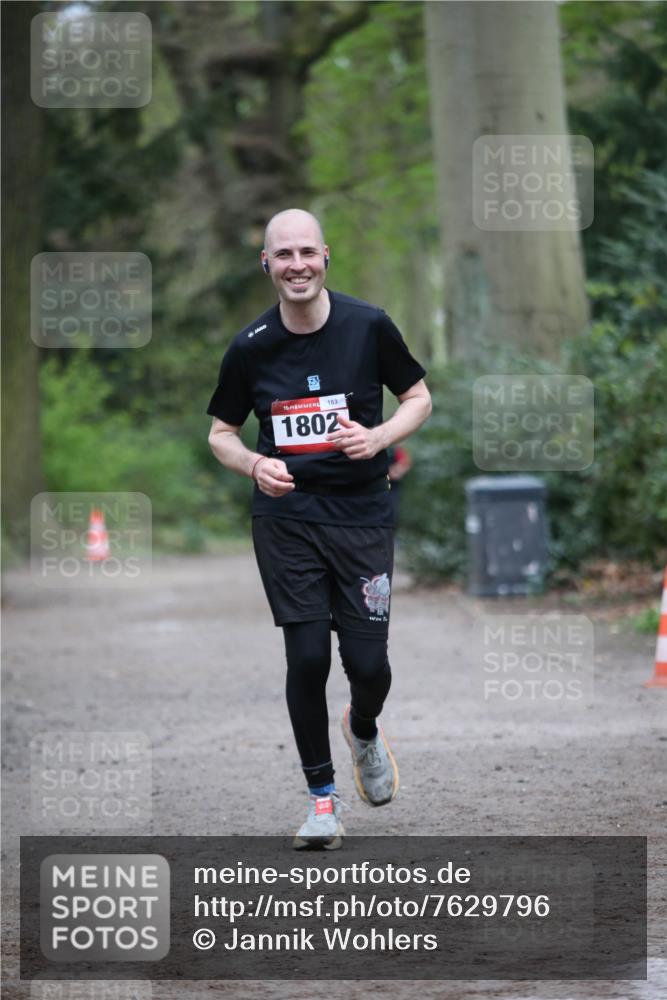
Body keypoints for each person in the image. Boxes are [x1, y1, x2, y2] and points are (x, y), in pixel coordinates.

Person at [207, 208, 431, 849]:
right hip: (288, 520)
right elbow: (220, 434)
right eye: (284, 255)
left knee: (370, 665)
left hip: (362, 514)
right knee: (306, 657)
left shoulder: (369, 326)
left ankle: (362, 729)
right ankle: (322, 801)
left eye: (307, 252)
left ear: (326, 256)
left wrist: (380, 435)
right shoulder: (250, 348)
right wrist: (254, 463)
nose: (297, 264)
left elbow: (419, 396)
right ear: (267, 265)